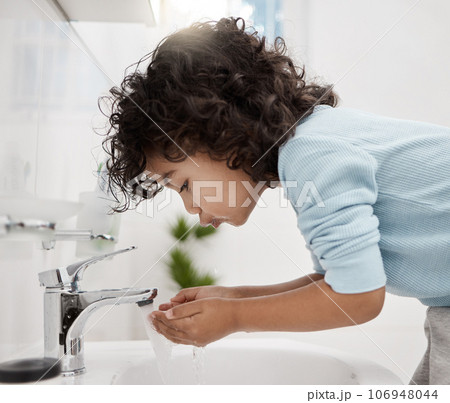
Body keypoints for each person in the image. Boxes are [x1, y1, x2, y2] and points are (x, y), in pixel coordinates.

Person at [101, 17, 450, 385]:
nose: (193, 210)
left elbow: (359, 297)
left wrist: (235, 318)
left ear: (221, 132)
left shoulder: (311, 153)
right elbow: (336, 281)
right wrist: (232, 299)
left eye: (184, 184)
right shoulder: (313, 143)